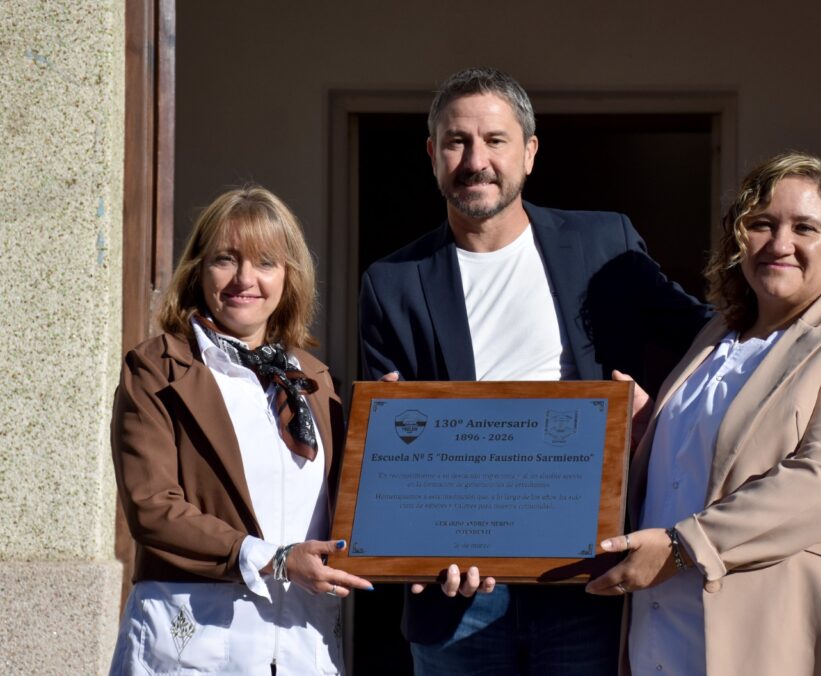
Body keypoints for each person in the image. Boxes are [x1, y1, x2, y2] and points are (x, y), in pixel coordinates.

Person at [360, 67, 712, 675]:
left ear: (529, 152)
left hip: (587, 579)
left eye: (495, 140)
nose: (476, 161)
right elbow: (391, 454)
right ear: (432, 155)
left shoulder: (604, 243)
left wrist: (658, 417)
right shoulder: (391, 283)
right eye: (457, 142)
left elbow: (708, 339)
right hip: (460, 593)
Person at [586, 152, 821, 675]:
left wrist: (683, 548)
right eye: (761, 224)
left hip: (792, 639)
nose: (780, 244)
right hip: (670, 629)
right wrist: (653, 434)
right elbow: (712, 458)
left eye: (805, 228)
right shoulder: (716, 338)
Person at [109, 186, 372, 675]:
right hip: (193, 647)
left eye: (266, 262)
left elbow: (352, 512)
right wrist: (274, 559)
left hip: (301, 650)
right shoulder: (157, 369)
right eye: (226, 259)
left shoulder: (316, 381)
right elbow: (152, 508)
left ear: (289, 276)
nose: (245, 279)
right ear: (198, 269)